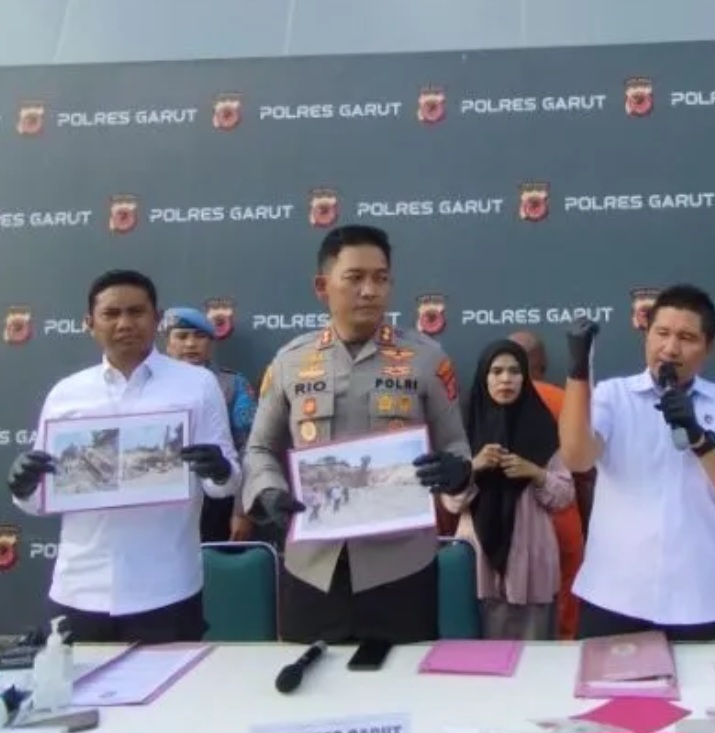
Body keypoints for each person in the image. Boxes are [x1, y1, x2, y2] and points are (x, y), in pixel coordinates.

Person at [241, 225, 474, 644]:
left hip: (402, 567)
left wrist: (456, 471)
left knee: (402, 678)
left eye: (381, 278)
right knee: (311, 679)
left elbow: (455, 444)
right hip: (312, 567)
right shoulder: (291, 362)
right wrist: (270, 492)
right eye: (355, 278)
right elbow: (260, 448)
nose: (370, 291)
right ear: (322, 286)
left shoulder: (426, 359)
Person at [5, 270, 241, 643]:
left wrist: (221, 470)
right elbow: (40, 500)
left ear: (157, 318)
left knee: (173, 685)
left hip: (167, 588)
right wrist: (24, 487)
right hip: (78, 587)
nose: (125, 323)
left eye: (136, 312)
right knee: (72, 683)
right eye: (111, 314)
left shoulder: (197, 385)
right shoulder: (66, 394)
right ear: (89, 324)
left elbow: (224, 486)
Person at [559, 284, 715, 641]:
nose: (670, 348)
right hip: (614, 597)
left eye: (687, 338)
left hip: (699, 602)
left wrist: (700, 439)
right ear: (646, 334)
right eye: (662, 333)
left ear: (708, 347)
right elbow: (577, 457)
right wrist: (578, 373)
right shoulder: (614, 395)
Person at [439, 339, 574, 639]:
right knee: (477, 652)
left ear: (525, 377)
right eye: (497, 371)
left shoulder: (544, 428)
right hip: (478, 558)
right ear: (483, 377)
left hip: (532, 555)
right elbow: (451, 502)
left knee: (535, 652)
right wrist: (473, 466)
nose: (506, 379)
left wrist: (535, 472)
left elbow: (564, 496)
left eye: (514, 371)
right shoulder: (462, 431)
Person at [508, 329, 588, 641]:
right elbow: (586, 473)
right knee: (566, 605)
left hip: (508, 523)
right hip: (562, 515)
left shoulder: (486, 403)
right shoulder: (567, 401)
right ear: (542, 364)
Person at [163, 306, 258, 543]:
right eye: (182, 336)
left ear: (211, 343)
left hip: (217, 499)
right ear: (167, 344)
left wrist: (241, 510)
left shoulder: (233, 385)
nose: (190, 344)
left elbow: (249, 449)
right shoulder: (149, 386)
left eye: (200, 336)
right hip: (162, 503)